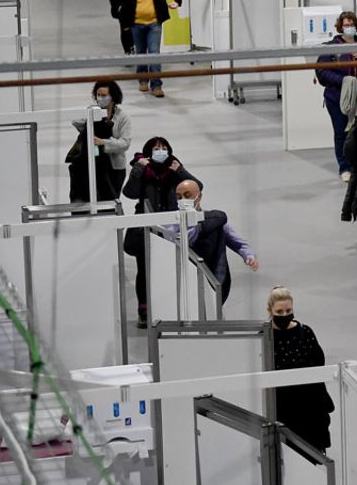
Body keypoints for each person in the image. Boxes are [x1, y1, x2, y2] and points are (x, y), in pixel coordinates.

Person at [122, 137, 202, 328]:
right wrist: (139, 169)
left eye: (164, 148)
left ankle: (170, 306)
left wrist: (180, 171)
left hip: (170, 227)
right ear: (149, 152)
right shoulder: (142, 171)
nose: (161, 151)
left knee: (170, 266)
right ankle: (144, 310)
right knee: (144, 268)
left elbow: (198, 187)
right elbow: (129, 193)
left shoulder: (174, 171)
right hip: (145, 226)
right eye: (157, 148)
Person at [267, 286, 336, 455]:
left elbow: (319, 363)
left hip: (311, 407)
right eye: (280, 311)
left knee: (315, 455)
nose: (284, 315)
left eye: (288, 310)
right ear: (270, 311)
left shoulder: (305, 332)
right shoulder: (265, 337)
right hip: (283, 408)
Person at [315, 11, 357, 181]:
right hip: (337, 99)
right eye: (346, 25)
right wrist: (344, 80)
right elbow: (321, 73)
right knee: (341, 133)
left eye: (352, 25)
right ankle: (345, 168)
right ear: (340, 27)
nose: (349, 28)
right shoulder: (331, 47)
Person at [171, 180, 258, 305]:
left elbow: (237, 241)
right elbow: (180, 242)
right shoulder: (171, 222)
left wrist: (249, 255)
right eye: (179, 197)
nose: (183, 200)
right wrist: (194, 225)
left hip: (214, 275)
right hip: (185, 280)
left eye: (187, 195)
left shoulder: (214, 220)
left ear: (199, 196)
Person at [114, 0, 182, 98]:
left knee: (154, 53)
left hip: (154, 23)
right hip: (136, 23)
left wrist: (177, 1)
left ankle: (156, 85)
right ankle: (143, 79)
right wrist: (122, 18)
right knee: (140, 53)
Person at [69, 80, 132, 202]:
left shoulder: (123, 117)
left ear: (113, 96)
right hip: (93, 163)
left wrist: (104, 142)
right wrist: (91, 113)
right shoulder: (93, 111)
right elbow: (75, 121)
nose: (100, 98)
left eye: (104, 95)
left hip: (114, 167)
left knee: (110, 201)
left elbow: (125, 143)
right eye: (98, 95)